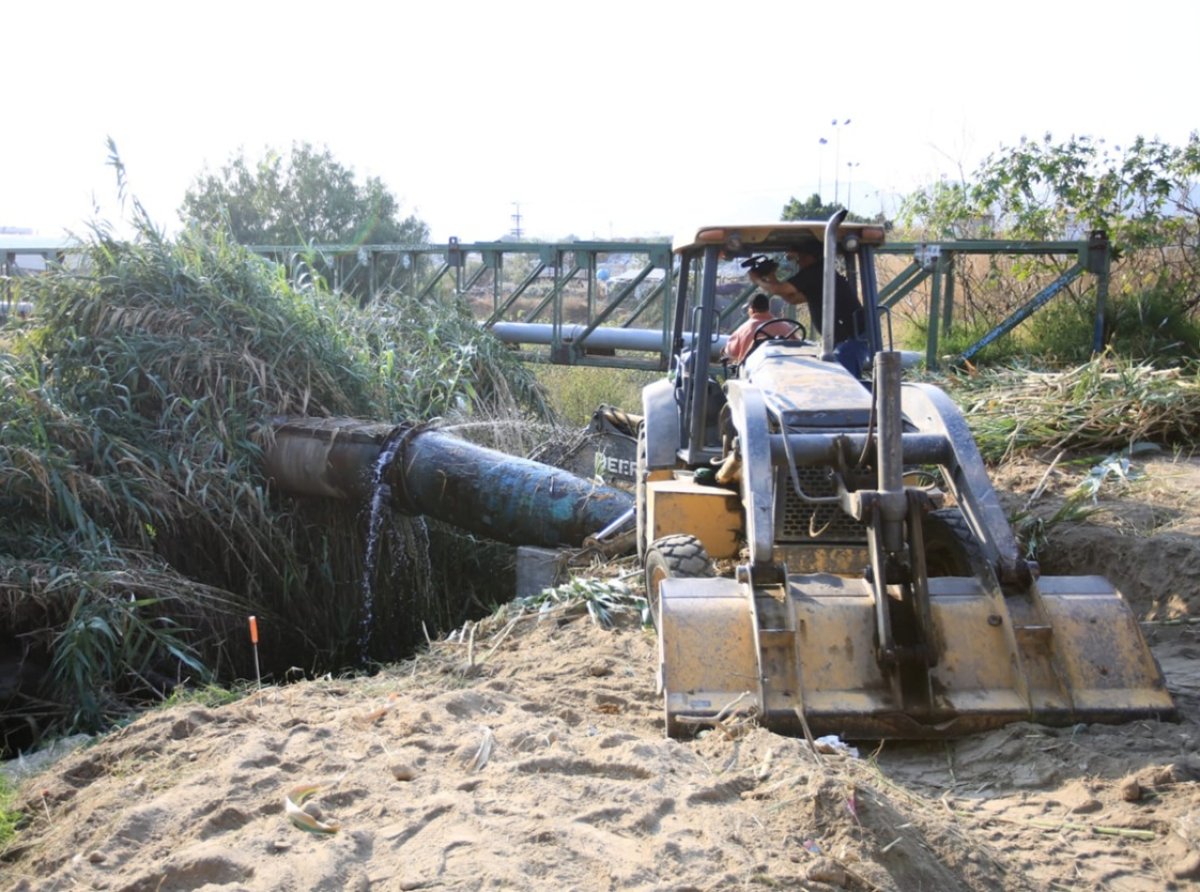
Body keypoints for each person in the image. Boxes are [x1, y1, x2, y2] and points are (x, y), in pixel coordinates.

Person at [746, 244, 870, 377]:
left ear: (811, 256)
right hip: (846, 338)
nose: (798, 261)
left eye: (800, 256)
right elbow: (792, 299)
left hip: (849, 340)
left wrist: (757, 280)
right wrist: (772, 277)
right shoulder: (820, 277)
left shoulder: (816, 272)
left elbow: (780, 289)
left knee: (844, 381)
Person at [721, 292, 798, 365]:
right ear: (768, 308)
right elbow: (798, 346)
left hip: (752, 374)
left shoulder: (744, 329)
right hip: (782, 373)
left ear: (752, 310)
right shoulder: (786, 327)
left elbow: (731, 352)